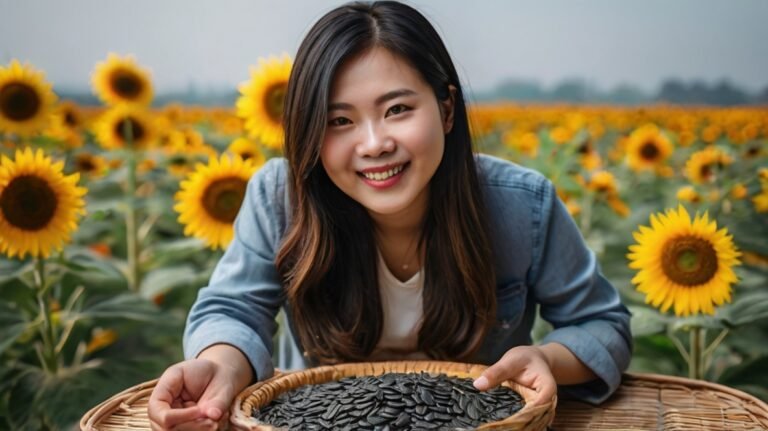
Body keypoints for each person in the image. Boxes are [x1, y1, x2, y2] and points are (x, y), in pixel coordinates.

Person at [148, 1, 632, 429]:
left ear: (446, 109)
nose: (375, 143)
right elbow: (234, 310)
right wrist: (222, 365)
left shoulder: (521, 205)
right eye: (339, 121)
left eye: (397, 109)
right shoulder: (280, 197)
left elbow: (602, 325)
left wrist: (545, 357)